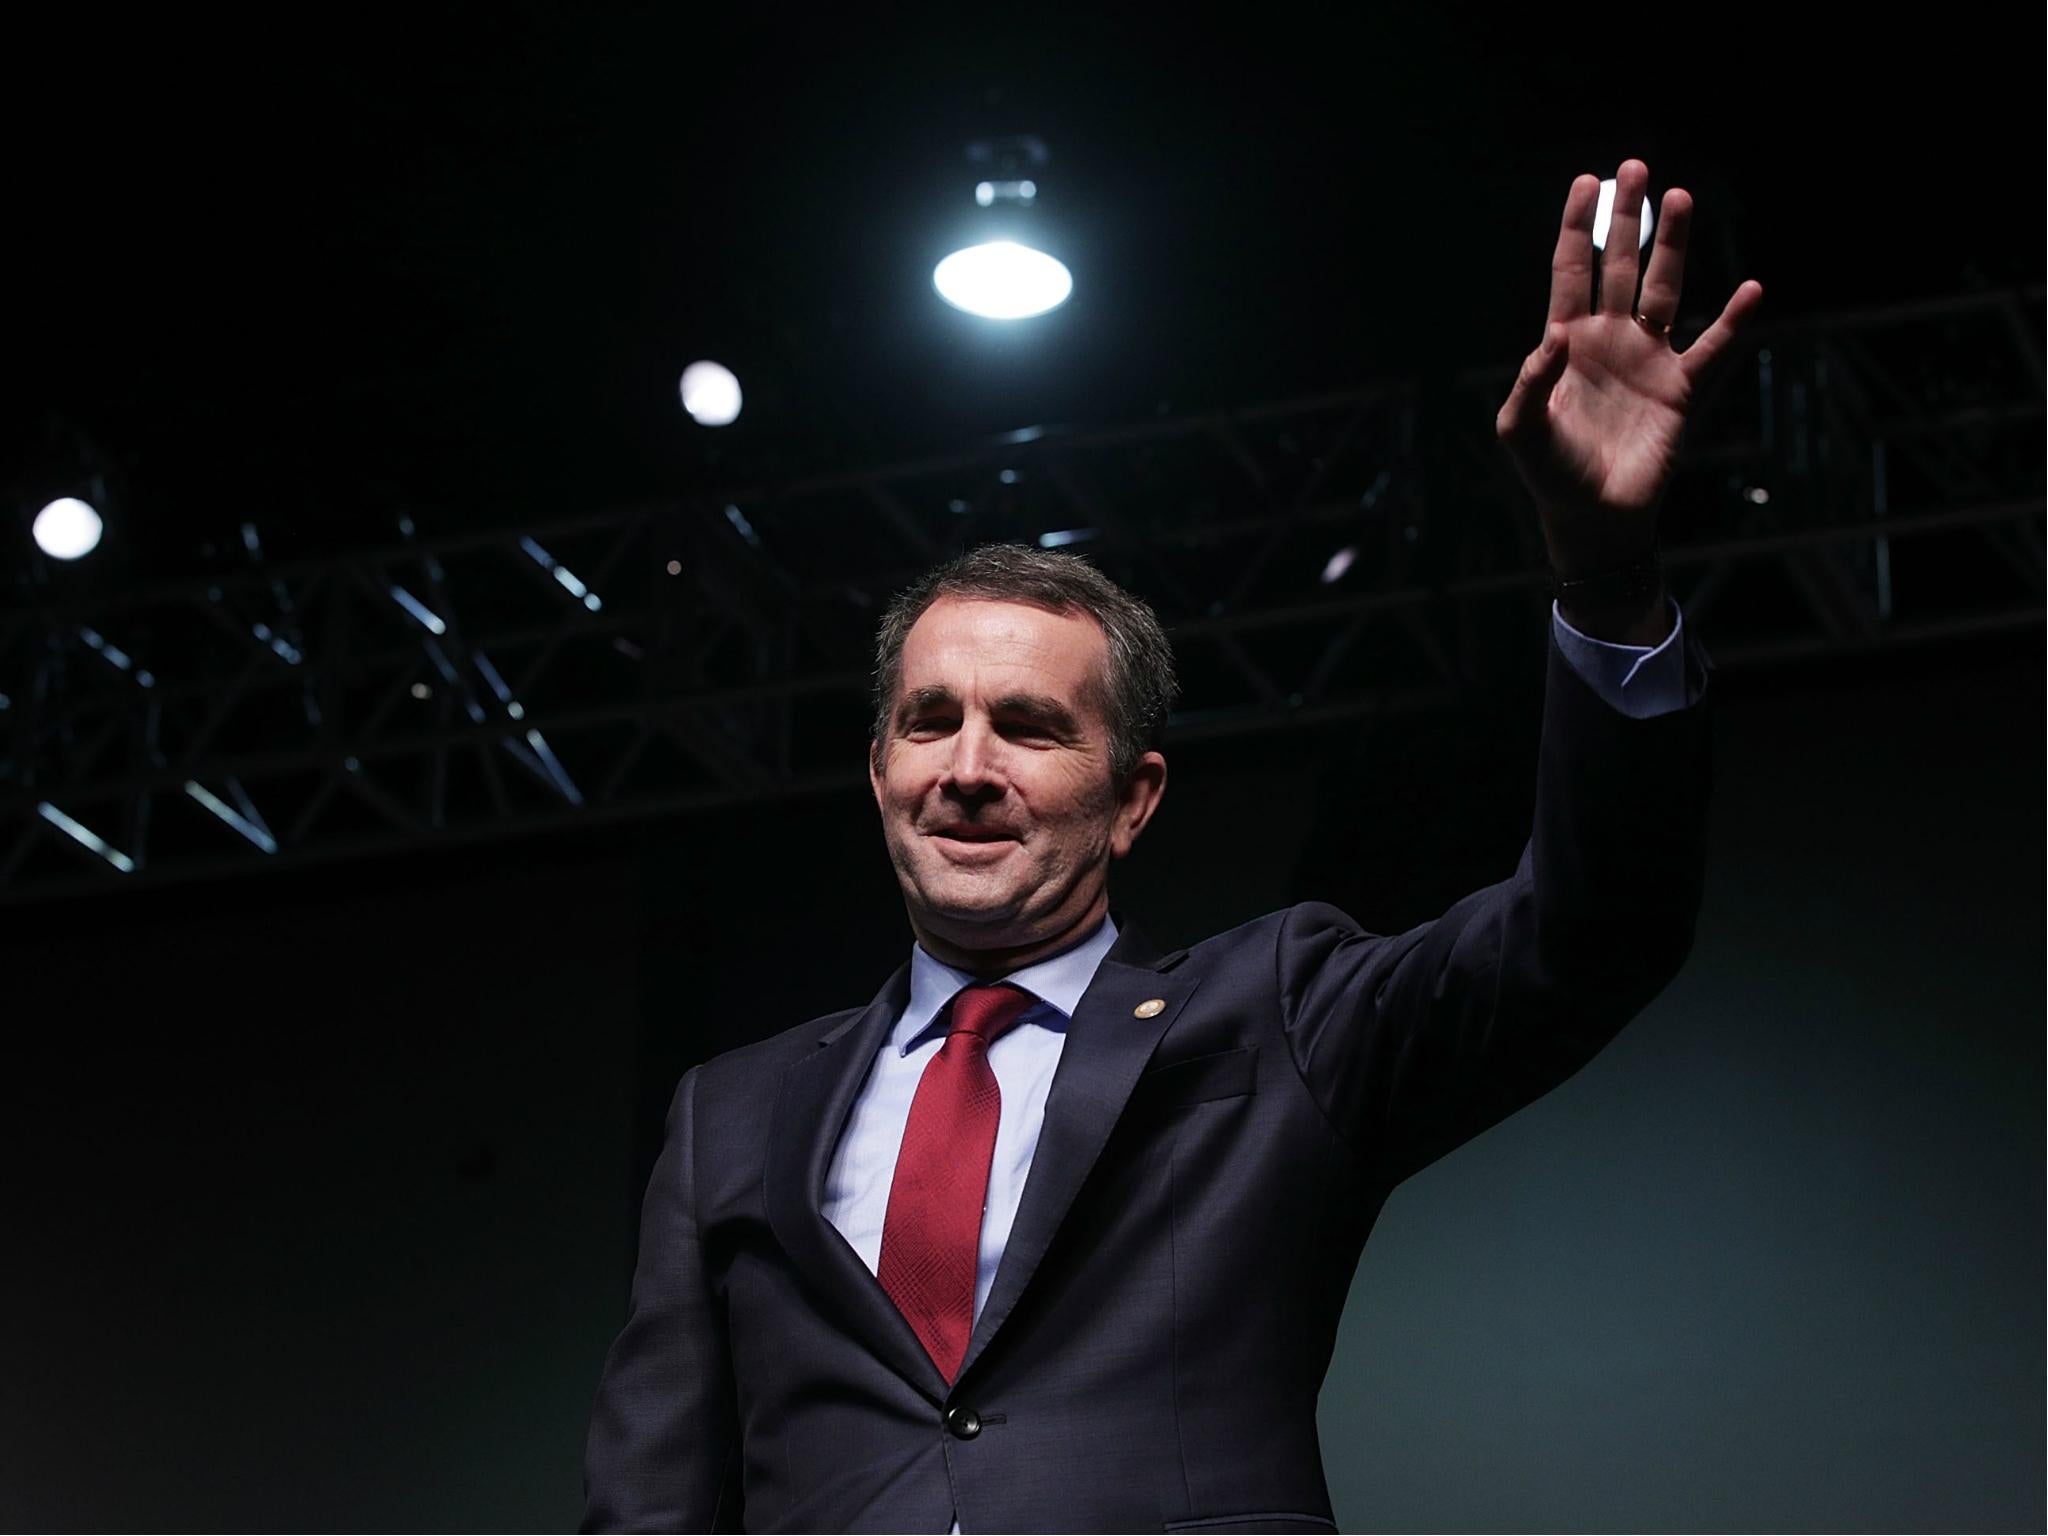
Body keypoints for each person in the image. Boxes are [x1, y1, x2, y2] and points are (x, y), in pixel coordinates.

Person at [581, 159, 1762, 1533]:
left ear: (1134, 797)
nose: (968, 769)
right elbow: (649, 1507)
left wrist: (1605, 574)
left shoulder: (1278, 1019)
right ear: (878, 769)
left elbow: (1596, 931)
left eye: (1028, 728)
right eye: (930, 722)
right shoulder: (728, 1115)